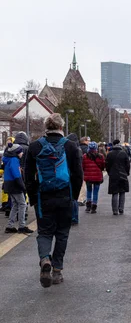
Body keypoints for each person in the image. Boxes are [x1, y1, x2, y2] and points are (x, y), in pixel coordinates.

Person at [24, 113, 83, 288]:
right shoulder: (71, 146)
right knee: (62, 234)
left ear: (46, 127)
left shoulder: (34, 147)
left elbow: (27, 176)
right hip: (65, 197)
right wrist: (74, 197)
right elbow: (78, 175)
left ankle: (44, 259)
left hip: (44, 198)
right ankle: (57, 271)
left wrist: (33, 198)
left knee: (44, 232)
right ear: (61, 127)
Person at [3, 143, 32, 234]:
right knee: (23, 204)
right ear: (16, 152)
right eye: (20, 152)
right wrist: (23, 187)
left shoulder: (8, 159)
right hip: (15, 185)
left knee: (15, 204)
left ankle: (10, 226)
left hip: (9, 185)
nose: (22, 153)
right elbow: (16, 175)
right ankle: (22, 226)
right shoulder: (14, 160)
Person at [106, 139, 130, 215]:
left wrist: (109, 172)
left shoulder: (110, 154)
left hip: (113, 175)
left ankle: (115, 210)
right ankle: (121, 208)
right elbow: (127, 165)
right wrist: (126, 173)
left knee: (114, 192)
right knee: (122, 192)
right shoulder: (124, 153)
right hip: (123, 174)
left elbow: (107, 165)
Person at [82, 142, 105, 215]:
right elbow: (102, 166)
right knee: (96, 191)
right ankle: (94, 206)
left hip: (88, 176)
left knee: (89, 190)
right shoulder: (100, 156)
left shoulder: (85, 156)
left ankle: (88, 206)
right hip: (97, 176)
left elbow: (83, 166)